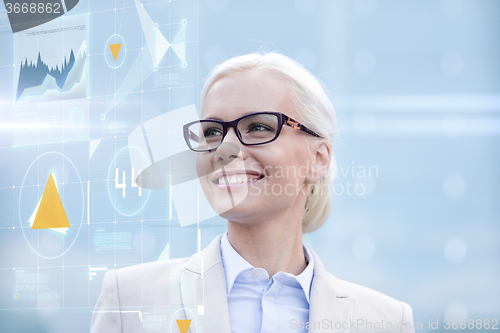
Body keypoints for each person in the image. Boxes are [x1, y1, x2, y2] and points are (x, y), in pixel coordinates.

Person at [90, 52, 415, 333]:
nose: (226, 149)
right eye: (213, 132)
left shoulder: (384, 322)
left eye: (258, 127)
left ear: (318, 158)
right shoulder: (130, 299)